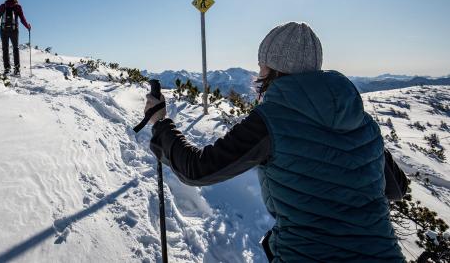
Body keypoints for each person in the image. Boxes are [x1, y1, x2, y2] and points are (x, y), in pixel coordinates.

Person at [145, 22, 408, 262]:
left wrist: (161, 123)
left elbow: (197, 169)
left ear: (274, 69)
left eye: (261, 65)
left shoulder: (270, 121)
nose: (258, 73)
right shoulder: (363, 122)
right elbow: (397, 189)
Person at [0, 0, 31, 76]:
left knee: (5, 48)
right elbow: (22, 19)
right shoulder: (17, 7)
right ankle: (17, 69)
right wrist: (28, 26)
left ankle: (7, 68)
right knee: (15, 48)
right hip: (14, 30)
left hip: (3, 30)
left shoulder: (2, 6)